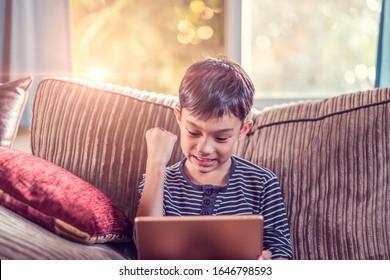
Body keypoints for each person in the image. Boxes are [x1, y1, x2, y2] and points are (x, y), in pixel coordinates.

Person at [136, 57, 293, 260]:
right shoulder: (157, 181)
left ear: (242, 130)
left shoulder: (262, 183)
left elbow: (281, 251)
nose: (205, 149)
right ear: (179, 118)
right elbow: (146, 251)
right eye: (193, 132)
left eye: (221, 138)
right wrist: (156, 163)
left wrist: (269, 262)